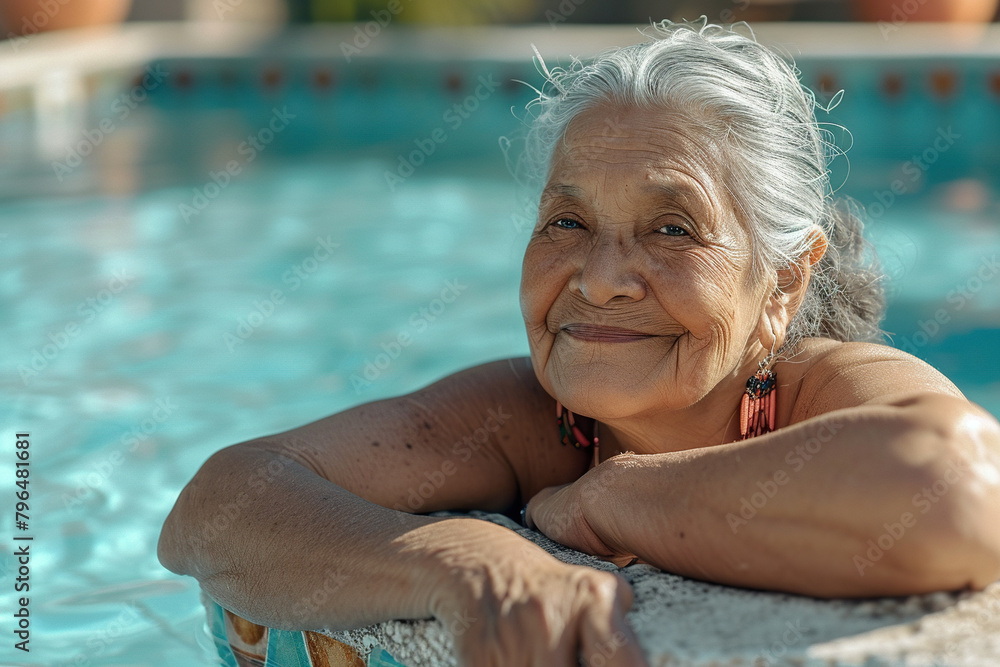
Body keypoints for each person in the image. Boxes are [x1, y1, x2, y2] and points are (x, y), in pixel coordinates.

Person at [158, 18, 1000, 667]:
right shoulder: (531, 413)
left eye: (673, 229)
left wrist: (614, 497)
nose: (600, 279)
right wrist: (461, 558)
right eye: (568, 221)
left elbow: (962, 489)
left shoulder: (826, 388)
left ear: (783, 282)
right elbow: (215, 509)